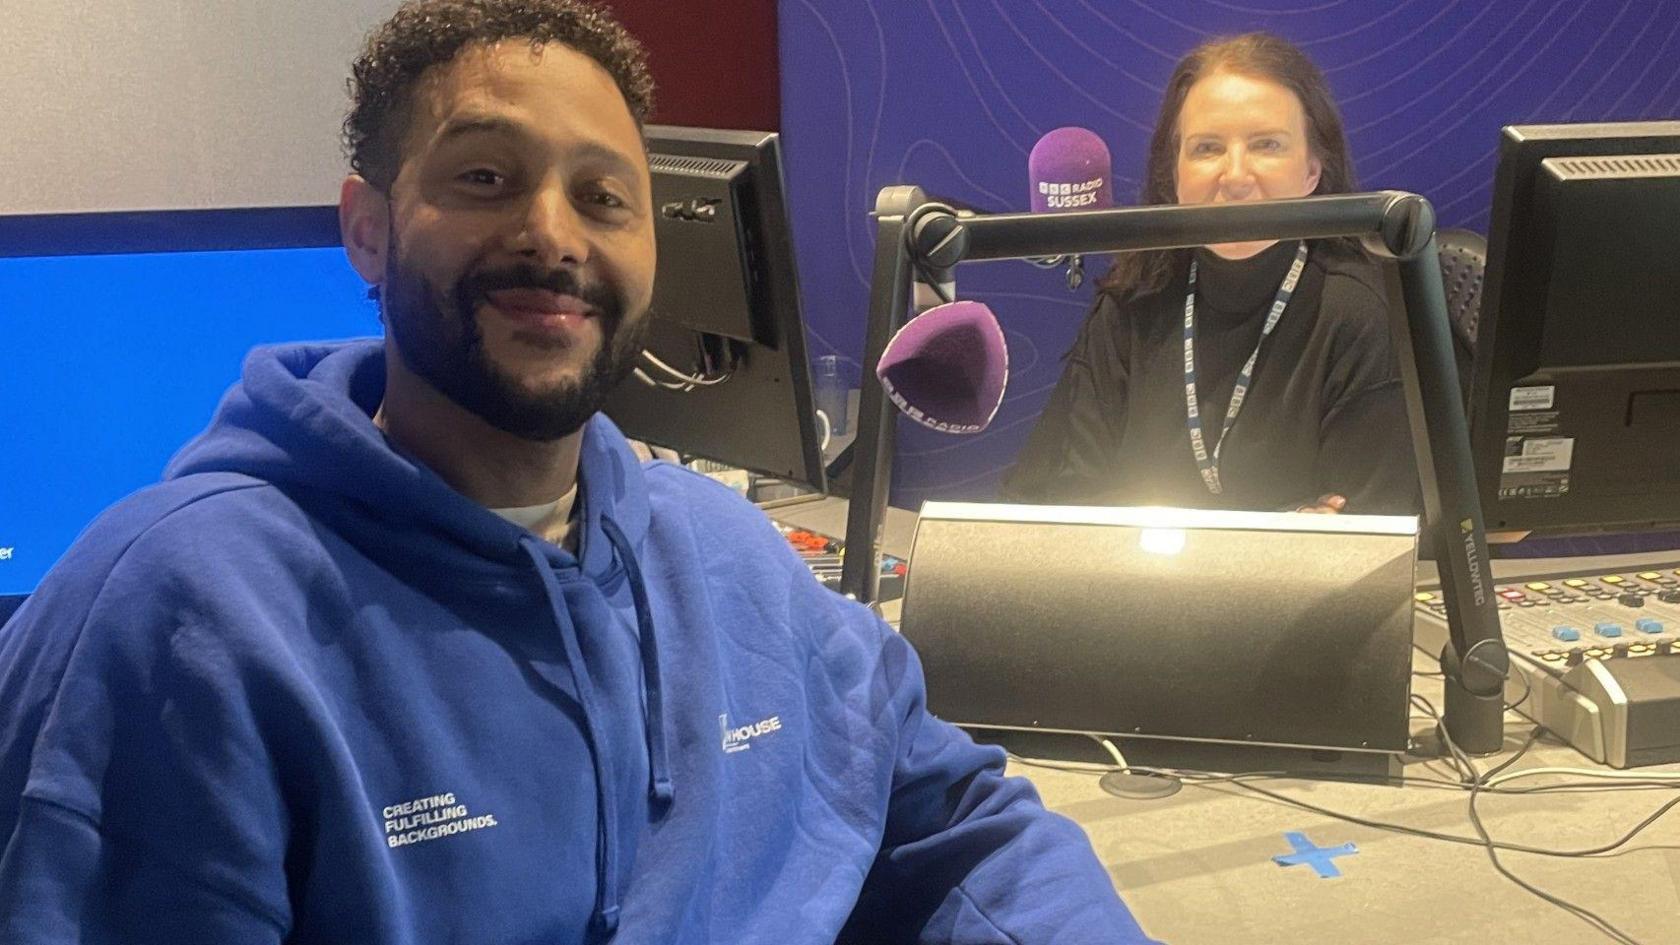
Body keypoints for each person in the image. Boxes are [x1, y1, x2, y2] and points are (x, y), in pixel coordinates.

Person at [0, 2, 1161, 943]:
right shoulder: (175, 618)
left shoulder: (725, 555)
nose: (554, 234)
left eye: (606, 197)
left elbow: (957, 824)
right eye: (486, 179)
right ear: (367, 228)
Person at [1002, 33, 1416, 516]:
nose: (1236, 176)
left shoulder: (1363, 313)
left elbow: (1361, 541)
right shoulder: (1132, 302)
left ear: (1312, 171)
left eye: (1266, 145)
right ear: (1174, 175)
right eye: (1207, 148)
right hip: (1135, 591)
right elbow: (1054, 504)